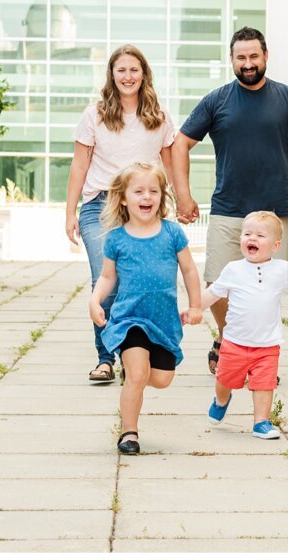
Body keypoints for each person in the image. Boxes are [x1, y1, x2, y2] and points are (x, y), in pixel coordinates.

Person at [171, 26, 288, 375]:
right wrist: (184, 195)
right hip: (228, 209)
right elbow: (180, 144)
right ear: (232, 60)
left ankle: (260, 352)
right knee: (217, 283)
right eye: (241, 57)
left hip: (275, 213)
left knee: (268, 287)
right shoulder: (217, 100)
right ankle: (229, 339)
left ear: (265, 56)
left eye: (254, 56)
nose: (248, 63)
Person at [66, 45, 176, 383]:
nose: (128, 76)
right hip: (100, 205)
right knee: (106, 280)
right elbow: (80, 163)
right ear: (112, 75)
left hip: (141, 208)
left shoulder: (159, 116)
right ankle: (105, 359)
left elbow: (170, 164)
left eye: (134, 70)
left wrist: (179, 201)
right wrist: (70, 211)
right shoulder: (95, 114)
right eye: (121, 70)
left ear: (144, 74)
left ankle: (133, 354)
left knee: (136, 283)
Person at [89, 162, 203, 455]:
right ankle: (129, 432)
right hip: (130, 319)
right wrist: (94, 300)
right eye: (138, 191)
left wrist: (195, 305)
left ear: (161, 197)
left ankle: (133, 375)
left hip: (163, 321)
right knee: (138, 374)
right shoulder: (116, 238)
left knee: (162, 379)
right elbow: (107, 276)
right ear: (124, 198)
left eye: (153, 190)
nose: (147, 196)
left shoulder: (172, 233)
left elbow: (189, 271)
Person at [186, 211, 288, 439]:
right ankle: (222, 400)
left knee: (265, 384)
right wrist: (193, 308)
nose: (251, 238)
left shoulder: (281, 269)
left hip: (267, 344)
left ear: (275, 245)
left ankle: (261, 422)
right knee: (224, 379)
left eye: (260, 235)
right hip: (234, 341)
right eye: (247, 234)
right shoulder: (233, 269)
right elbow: (213, 293)